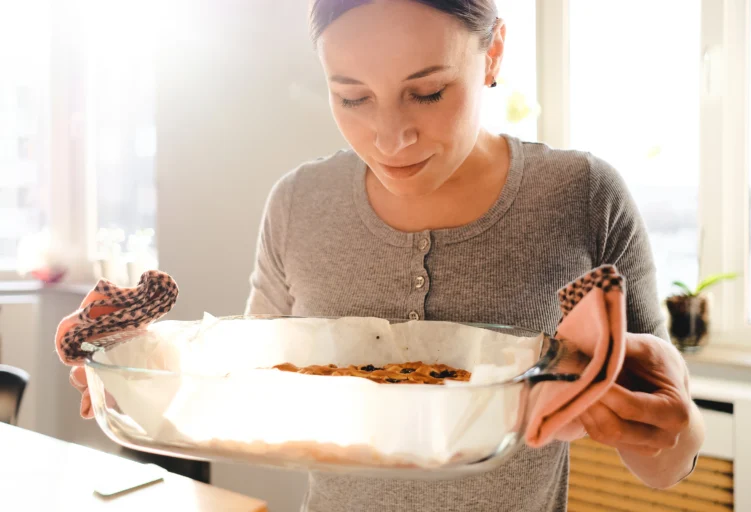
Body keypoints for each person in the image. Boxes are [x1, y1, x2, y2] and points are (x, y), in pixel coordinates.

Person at [70, 1, 705, 510]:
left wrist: (665, 428)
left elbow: (670, 465)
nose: (390, 138)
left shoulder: (583, 196)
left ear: (494, 53)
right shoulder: (298, 203)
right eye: (351, 97)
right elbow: (248, 384)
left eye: (427, 93)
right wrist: (130, 370)